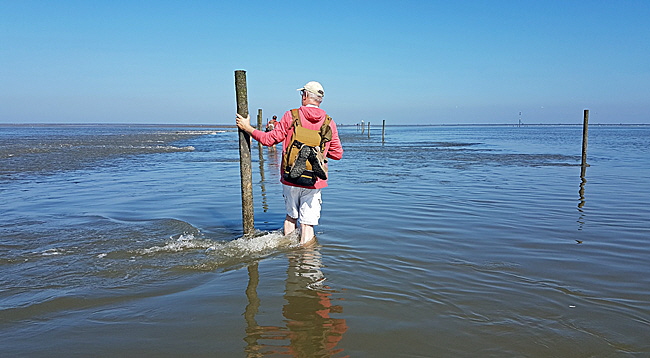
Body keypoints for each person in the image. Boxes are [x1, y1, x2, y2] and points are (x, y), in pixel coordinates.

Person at [236, 81, 343, 246]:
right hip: (314, 180)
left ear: (305, 95)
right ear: (320, 100)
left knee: (291, 218)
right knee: (307, 225)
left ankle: (290, 256)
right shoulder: (329, 122)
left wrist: (248, 128)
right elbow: (337, 154)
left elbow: (269, 140)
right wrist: (317, 150)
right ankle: (307, 263)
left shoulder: (291, 116)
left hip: (290, 176)